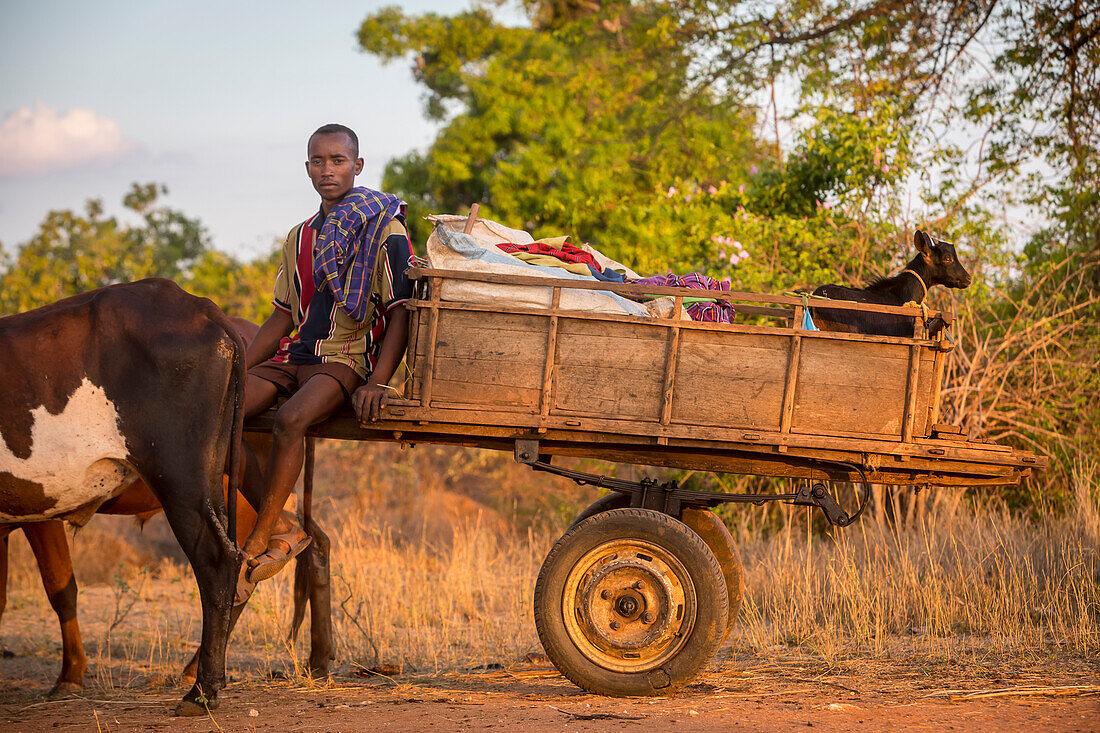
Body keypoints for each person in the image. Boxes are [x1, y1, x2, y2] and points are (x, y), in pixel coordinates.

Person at [235, 123, 413, 603]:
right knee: (219, 414)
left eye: (338, 160)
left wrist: (377, 382)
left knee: (291, 421)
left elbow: (399, 314)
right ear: (307, 168)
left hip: (345, 357)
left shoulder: (388, 231)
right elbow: (282, 315)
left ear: (358, 166)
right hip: (295, 354)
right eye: (318, 161)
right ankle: (281, 521)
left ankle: (264, 535)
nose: (327, 169)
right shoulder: (300, 236)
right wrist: (238, 371)